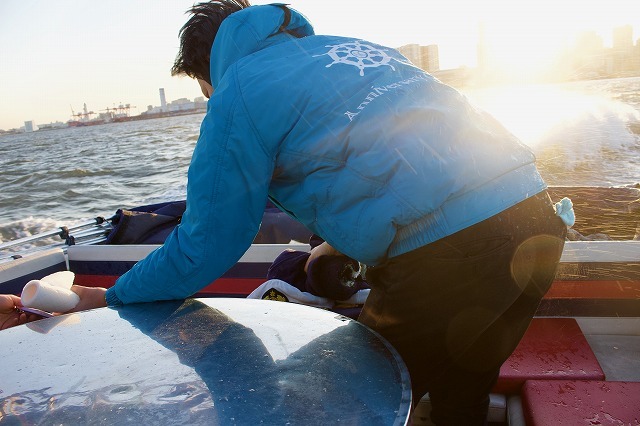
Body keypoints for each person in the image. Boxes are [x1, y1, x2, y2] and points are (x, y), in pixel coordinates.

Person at [63, 1, 568, 424]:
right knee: (463, 392)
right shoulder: (354, 51)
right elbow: (408, 162)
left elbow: (206, 244)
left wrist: (114, 297)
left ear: (208, 71)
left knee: (344, 407)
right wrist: (343, 243)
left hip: (452, 257)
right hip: (537, 222)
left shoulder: (237, 90)